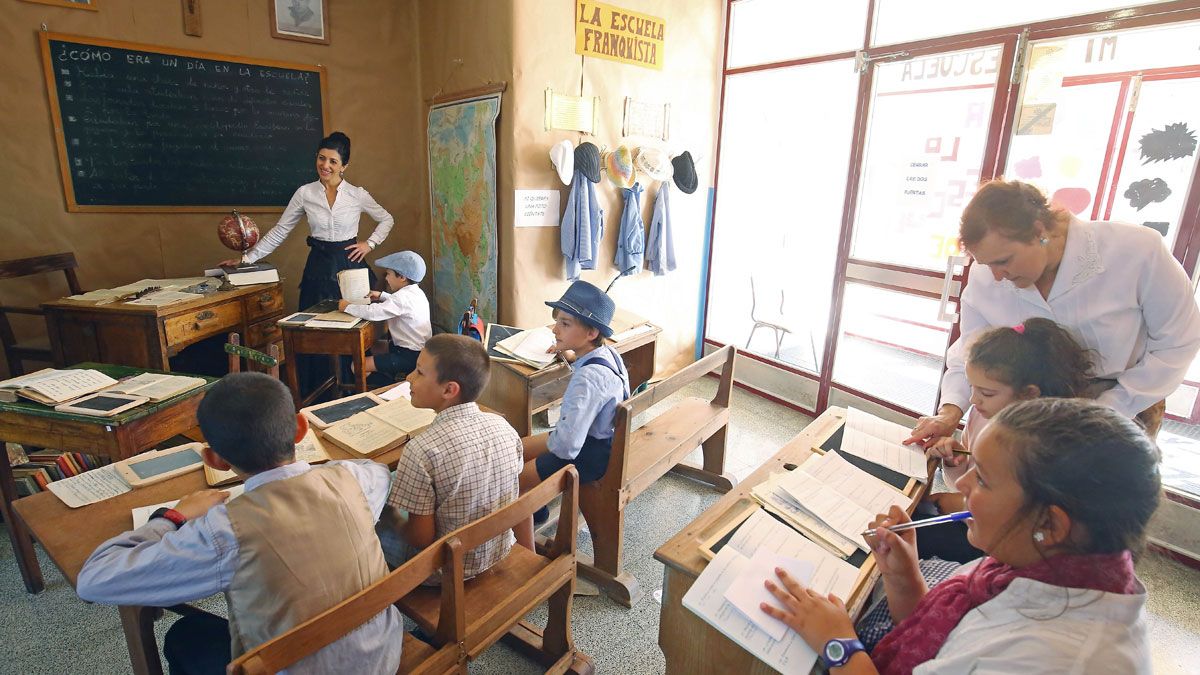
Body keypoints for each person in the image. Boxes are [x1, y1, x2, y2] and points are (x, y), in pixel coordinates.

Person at [762, 398, 1158, 674]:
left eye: (982, 479)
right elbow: (945, 640)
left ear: (1051, 525)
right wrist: (903, 576)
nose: (963, 485)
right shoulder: (1043, 561)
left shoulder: (1048, 657)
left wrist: (838, 644)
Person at [76, 372, 402, 675]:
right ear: (301, 429)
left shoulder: (224, 531)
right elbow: (373, 470)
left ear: (214, 460)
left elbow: (94, 579)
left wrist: (172, 517)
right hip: (381, 658)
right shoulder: (354, 479)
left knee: (185, 636)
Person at [907, 179, 1200, 446]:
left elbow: (1178, 343)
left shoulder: (1136, 251)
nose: (996, 276)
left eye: (1004, 260)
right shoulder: (988, 275)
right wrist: (949, 411)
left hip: (1126, 403)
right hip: (1026, 404)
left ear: (1039, 231)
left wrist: (1109, 408)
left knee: (1086, 499)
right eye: (987, 264)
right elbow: (971, 351)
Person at [918, 317, 1093, 563]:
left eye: (986, 393)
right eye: (972, 388)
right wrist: (956, 459)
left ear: (1029, 393)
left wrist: (962, 502)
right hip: (973, 517)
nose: (974, 401)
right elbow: (965, 480)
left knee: (910, 529)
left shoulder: (1042, 445)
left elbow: (1021, 517)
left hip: (1000, 545)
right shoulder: (984, 415)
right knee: (912, 514)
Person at [379, 334, 527, 571]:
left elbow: (421, 539)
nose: (408, 378)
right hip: (496, 550)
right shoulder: (505, 428)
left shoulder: (421, 450)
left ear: (449, 389)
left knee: (368, 520)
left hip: (446, 571)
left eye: (419, 372)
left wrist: (391, 516)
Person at [221, 131, 394, 311]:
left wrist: (370, 244)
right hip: (318, 266)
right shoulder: (305, 193)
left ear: (344, 166)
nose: (325, 165)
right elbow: (281, 231)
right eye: (321, 158)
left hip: (350, 265)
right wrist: (246, 259)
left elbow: (386, 219)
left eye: (333, 161)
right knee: (315, 320)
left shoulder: (357, 194)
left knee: (352, 322)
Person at [518, 280, 630, 527]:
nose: (555, 329)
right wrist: (568, 353)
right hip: (600, 442)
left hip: (587, 455)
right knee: (516, 447)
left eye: (565, 324)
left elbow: (566, 447)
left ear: (591, 333)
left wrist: (547, 444)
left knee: (513, 479)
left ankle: (533, 512)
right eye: (557, 320)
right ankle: (535, 504)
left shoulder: (587, 378)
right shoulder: (609, 354)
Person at [338, 250, 432, 380]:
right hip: (418, 351)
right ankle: (382, 377)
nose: (386, 278)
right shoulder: (416, 292)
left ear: (402, 277)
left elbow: (374, 313)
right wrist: (382, 296)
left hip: (408, 356)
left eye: (388, 274)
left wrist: (347, 306)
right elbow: (401, 305)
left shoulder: (401, 298)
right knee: (373, 346)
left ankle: (384, 388)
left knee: (357, 365)